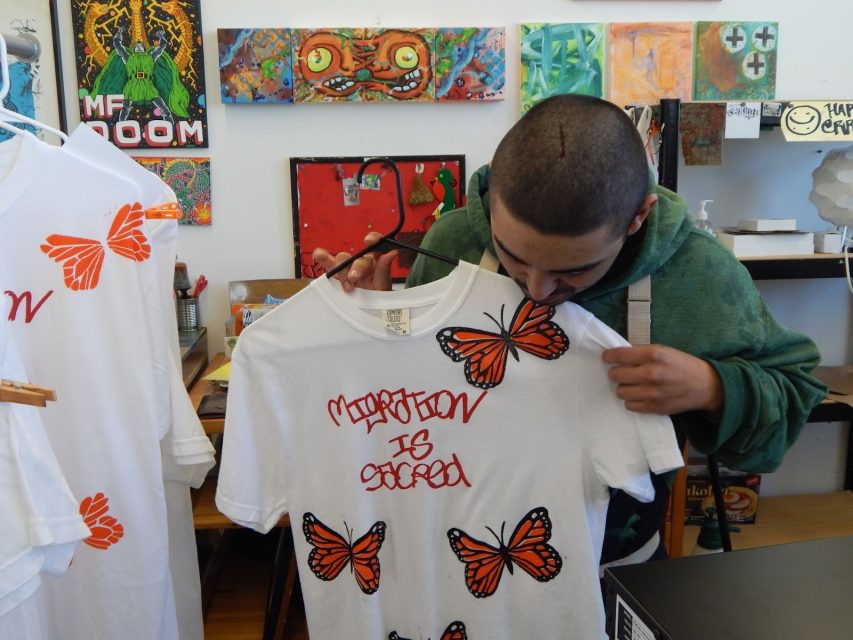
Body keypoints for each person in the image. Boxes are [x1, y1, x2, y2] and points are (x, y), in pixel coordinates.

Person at [312, 93, 827, 569]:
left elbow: (792, 397)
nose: (537, 290)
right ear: (493, 206)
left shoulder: (700, 274)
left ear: (636, 219)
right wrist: (376, 326)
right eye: (514, 257)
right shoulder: (452, 240)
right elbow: (416, 403)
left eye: (573, 271)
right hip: (463, 549)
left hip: (618, 560)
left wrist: (712, 387)